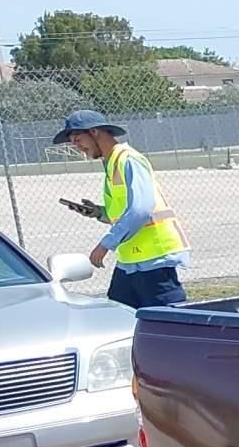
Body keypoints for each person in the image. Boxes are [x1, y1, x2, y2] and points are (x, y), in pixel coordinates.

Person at [50, 108, 189, 309]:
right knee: (118, 315)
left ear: (95, 132)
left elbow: (141, 210)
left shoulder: (128, 159)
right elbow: (122, 212)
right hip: (132, 261)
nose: (76, 146)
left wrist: (107, 243)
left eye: (78, 139)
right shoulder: (111, 163)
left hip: (155, 260)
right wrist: (99, 213)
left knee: (168, 324)